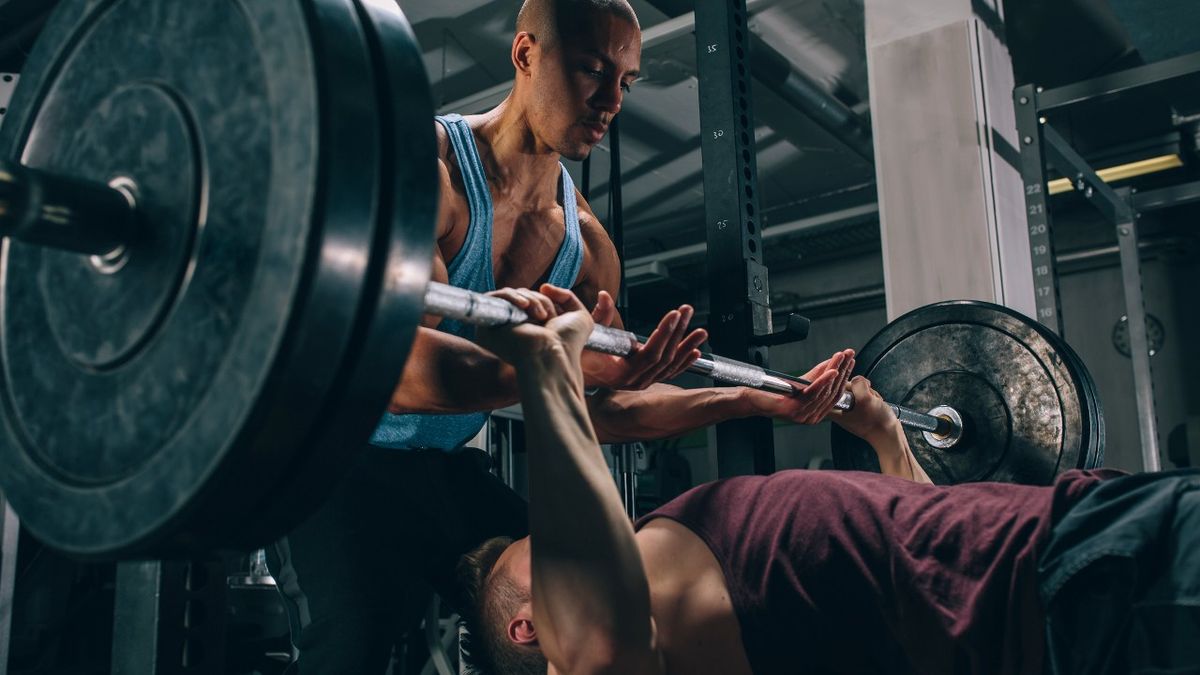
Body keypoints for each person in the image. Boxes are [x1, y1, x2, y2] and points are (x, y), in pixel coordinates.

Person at [267, 0, 859, 671]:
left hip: (447, 468)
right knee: (358, 653)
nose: (611, 100)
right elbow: (400, 374)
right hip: (339, 462)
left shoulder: (588, 249)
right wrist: (558, 366)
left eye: (627, 82)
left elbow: (597, 411)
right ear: (525, 55)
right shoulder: (427, 170)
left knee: (584, 606)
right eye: (590, 69)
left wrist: (747, 402)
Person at [459, 284, 1200, 675]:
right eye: (534, 543)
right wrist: (547, 370)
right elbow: (594, 648)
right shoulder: (602, 643)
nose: (550, 524)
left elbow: (918, 542)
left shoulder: (657, 571)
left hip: (1073, 558)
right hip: (1076, 591)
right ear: (530, 625)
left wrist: (882, 434)